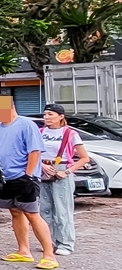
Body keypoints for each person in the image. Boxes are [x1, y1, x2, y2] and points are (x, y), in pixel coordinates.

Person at [0, 97, 59, 270]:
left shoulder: (26, 125)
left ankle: (49, 254)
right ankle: (23, 250)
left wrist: (28, 174)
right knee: (15, 212)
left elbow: (35, 151)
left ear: (10, 107)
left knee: (32, 214)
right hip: (5, 178)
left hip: (23, 177)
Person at [39, 103, 89, 256]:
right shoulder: (39, 132)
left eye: (50, 114)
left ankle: (66, 243)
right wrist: (41, 165)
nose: (46, 117)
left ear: (61, 116)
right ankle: (49, 242)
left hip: (62, 170)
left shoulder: (70, 134)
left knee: (62, 210)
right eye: (45, 114)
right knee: (44, 209)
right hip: (43, 170)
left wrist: (67, 172)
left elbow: (84, 158)